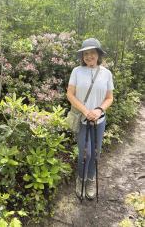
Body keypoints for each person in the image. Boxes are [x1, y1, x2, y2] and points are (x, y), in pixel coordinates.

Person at [66, 38, 114, 200]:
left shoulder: (106, 73)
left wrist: (99, 110)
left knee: (95, 152)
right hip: (82, 119)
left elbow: (109, 98)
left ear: (98, 54)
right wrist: (86, 111)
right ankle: (81, 178)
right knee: (84, 152)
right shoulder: (77, 71)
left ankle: (90, 179)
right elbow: (70, 95)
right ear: (82, 56)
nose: (89, 56)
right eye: (86, 53)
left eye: (92, 52)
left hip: (99, 121)